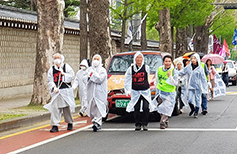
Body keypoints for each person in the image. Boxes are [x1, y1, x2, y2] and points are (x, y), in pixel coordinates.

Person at [124, 52, 156, 131]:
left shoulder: (146, 67)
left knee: (145, 107)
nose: (139, 59)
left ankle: (145, 124)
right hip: (135, 91)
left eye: (140, 58)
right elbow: (127, 79)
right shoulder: (131, 69)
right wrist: (127, 90)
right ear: (134, 59)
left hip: (145, 91)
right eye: (137, 58)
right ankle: (137, 124)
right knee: (136, 108)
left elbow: (148, 77)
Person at [44, 53, 75, 133]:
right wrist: (54, 87)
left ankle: (70, 122)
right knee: (55, 108)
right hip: (57, 92)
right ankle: (55, 125)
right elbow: (50, 80)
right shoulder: (51, 69)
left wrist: (64, 75)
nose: (57, 59)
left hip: (66, 91)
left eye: (58, 57)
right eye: (55, 58)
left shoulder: (66, 67)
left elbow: (72, 76)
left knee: (67, 108)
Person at [83, 54, 107, 132]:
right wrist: (89, 77)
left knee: (99, 108)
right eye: (94, 59)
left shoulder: (102, 70)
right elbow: (84, 79)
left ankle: (98, 122)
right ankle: (94, 121)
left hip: (100, 93)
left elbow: (100, 79)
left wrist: (93, 75)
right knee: (92, 109)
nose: (96, 61)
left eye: (97, 59)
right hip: (91, 92)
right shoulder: (89, 69)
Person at [179, 53, 208, 118]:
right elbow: (182, 71)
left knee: (197, 99)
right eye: (192, 58)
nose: (193, 60)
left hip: (198, 86)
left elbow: (203, 78)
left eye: (194, 58)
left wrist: (204, 87)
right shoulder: (188, 67)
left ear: (197, 59)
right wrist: (174, 73)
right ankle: (192, 109)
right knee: (189, 99)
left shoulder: (200, 68)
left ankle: (196, 111)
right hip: (190, 86)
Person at [153, 55, 178, 129]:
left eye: (169, 61)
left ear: (171, 62)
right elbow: (156, 79)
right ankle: (165, 120)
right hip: (160, 92)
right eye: (166, 61)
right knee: (160, 108)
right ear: (163, 62)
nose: (167, 63)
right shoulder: (159, 69)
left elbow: (176, 83)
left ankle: (162, 123)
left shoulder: (173, 70)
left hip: (170, 93)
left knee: (166, 108)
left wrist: (170, 77)